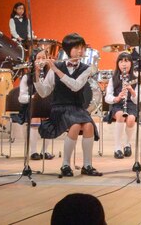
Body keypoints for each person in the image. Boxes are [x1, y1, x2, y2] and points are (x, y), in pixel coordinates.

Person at [35, 33, 102, 177]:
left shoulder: (86, 68)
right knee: (76, 125)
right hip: (60, 108)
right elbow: (43, 92)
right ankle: (65, 164)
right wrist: (36, 73)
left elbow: (76, 86)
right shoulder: (56, 67)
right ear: (68, 50)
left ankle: (87, 165)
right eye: (77, 48)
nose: (80, 51)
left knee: (89, 126)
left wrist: (57, 70)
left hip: (77, 108)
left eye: (82, 48)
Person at [105, 52, 139, 159]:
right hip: (117, 104)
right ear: (118, 64)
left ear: (131, 63)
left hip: (131, 104)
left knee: (131, 119)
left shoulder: (136, 78)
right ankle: (118, 147)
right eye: (121, 61)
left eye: (126, 61)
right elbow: (107, 97)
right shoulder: (113, 79)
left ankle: (127, 144)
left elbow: (137, 100)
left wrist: (131, 91)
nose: (124, 64)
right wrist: (117, 98)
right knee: (120, 115)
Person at [14, 70, 53, 161]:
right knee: (35, 118)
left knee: (50, 119)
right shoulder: (26, 77)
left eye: (44, 58)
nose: (41, 61)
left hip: (46, 106)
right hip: (30, 106)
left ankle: (44, 151)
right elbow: (21, 98)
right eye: (38, 58)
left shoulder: (50, 75)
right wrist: (33, 98)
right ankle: (33, 151)